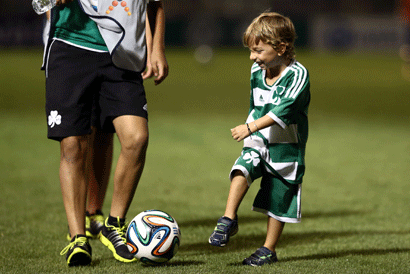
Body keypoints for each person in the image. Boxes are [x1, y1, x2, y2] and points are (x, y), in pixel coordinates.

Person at [43, 0, 168, 267]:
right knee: (72, 145)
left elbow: (155, 4)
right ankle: (78, 237)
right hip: (69, 47)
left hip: (122, 52)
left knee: (136, 138)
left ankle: (114, 224)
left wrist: (156, 48)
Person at [208, 12, 310, 266]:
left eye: (258, 51)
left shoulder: (298, 75)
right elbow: (257, 102)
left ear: (281, 48)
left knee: (279, 196)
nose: (253, 57)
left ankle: (268, 249)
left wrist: (249, 127)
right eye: (252, 51)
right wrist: (253, 131)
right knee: (244, 164)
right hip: (258, 138)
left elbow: (284, 110)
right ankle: (228, 219)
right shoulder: (257, 69)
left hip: (287, 146)